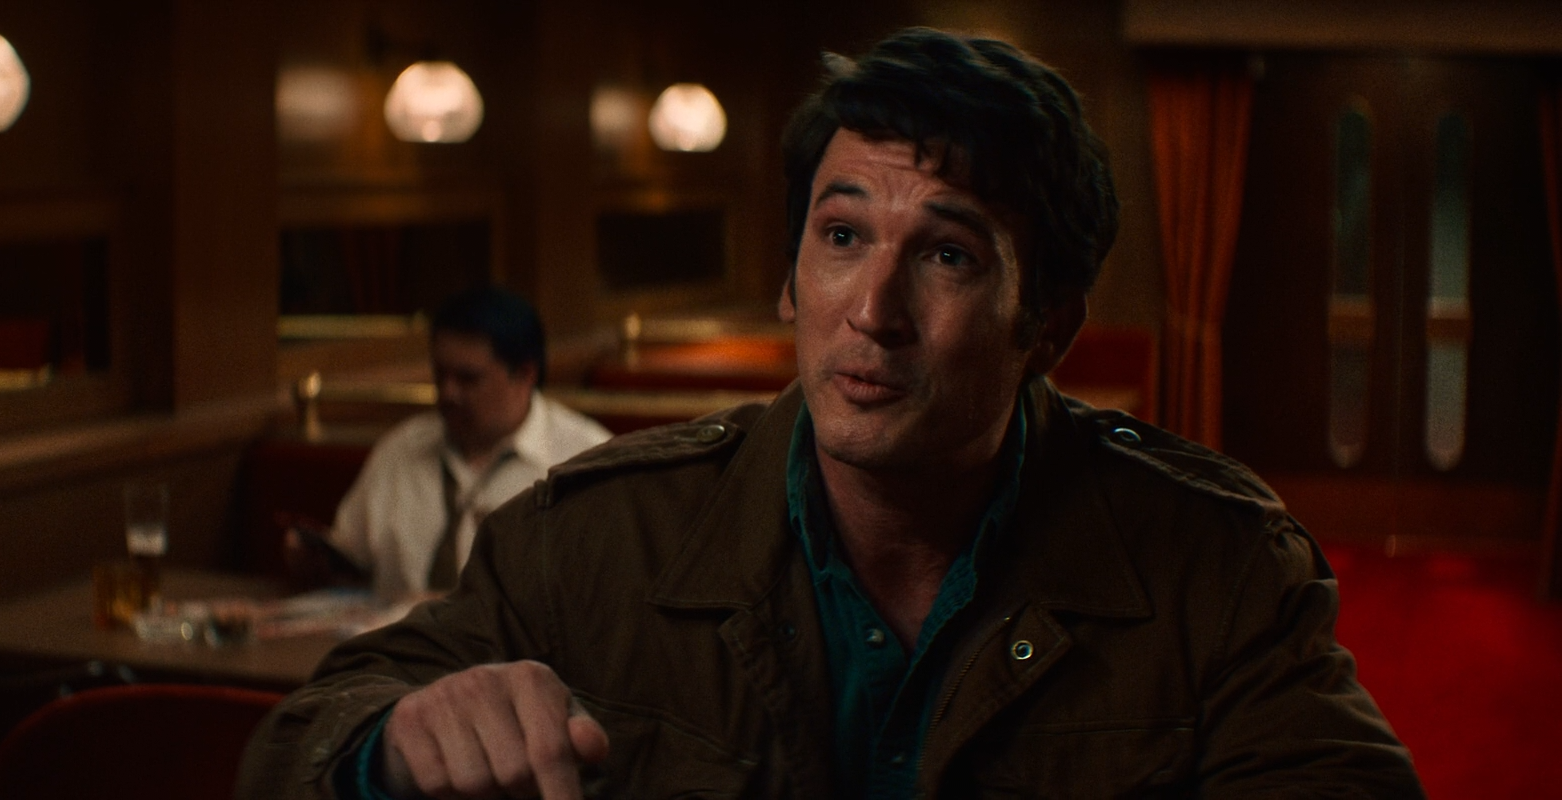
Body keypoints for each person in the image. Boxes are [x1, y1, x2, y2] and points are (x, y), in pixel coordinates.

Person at [239, 28, 1423, 799]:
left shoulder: (1215, 565)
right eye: (843, 234)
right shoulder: (588, 539)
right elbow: (289, 747)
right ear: (789, 277)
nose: (873, 309)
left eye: (948, 254)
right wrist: (392, 744)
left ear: (1047, 324)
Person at [290, 285, 614, 600]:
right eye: (440, 375)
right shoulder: (401, 449)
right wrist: (316, 563)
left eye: (468, 378)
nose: (448, 393)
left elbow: (605, 597)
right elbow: (349, 561)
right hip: (396, 634)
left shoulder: (586, 460)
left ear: (525, 375)